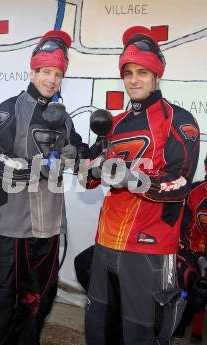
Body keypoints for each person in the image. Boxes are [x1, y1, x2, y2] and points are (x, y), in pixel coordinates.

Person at [83, 26, 200, 344]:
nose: (134, 79)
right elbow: (88, 178)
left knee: (141, 333)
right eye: (128, 72)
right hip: (106, 243)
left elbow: (180, 183)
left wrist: (131, 178)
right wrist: (84, 162)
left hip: (149, 249)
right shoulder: (114, 124)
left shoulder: (180, 120)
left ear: (157, 75)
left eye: (143, 72)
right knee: (99, 326)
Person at [0, 29, 87, 345]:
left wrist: (76, 154)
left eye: (58, 74)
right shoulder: (7, 110)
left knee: (38, 298)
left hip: (47, 226)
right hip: (10, 225)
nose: (51, 79)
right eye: (46, 72)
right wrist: (43, 166)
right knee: (0, 298)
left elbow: (79, 152)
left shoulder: (63, 118)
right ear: (32, 72)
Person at [174, 154, 207, 345]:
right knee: (194, 281)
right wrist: (201, 256)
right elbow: (185, 230)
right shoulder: (194, 192)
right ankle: (184, 324)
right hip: (193, 249)